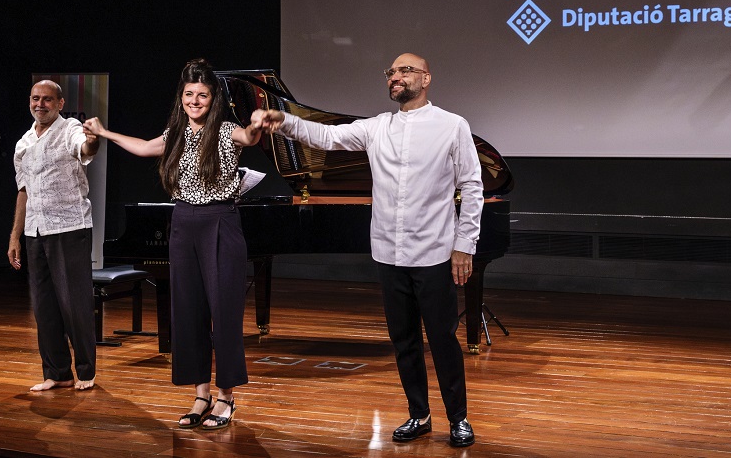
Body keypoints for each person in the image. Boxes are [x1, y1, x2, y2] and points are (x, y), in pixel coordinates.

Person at [253, 52, 481, 447]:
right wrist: (284, 121)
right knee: (403, 340)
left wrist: (465, 245)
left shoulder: (452, 126)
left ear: (425, 78)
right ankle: (419, 415)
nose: (396, 77)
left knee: (443, 340)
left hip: (434, 253)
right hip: (389, 254)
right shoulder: (377, 127)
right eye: (391, 72)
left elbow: (473, 186)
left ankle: (458, 418)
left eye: (405, 70)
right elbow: (327, 137)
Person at [82, 58, 263, 430]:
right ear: (181, 98)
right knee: (188, 312)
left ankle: (226, 398)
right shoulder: (176, 132)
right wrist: (105, 133)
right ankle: (200, 395)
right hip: (183, 223)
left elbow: (249, 137)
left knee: (224, 315)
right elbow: (145, 147)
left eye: (202, 96)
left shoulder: (227, 130)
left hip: (219, 222)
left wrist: (257, 122)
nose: (195, 101)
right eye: (189, 95)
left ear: (214, 100)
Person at [8, 79, 100, 392]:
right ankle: (57, 373)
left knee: (74, 304)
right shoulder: (23, 143)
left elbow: (86, 148)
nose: (40, 104)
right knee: (44, 306)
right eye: (35, 98)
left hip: (69, 227)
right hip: (35, 230)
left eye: (48, 99)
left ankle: (86, 372)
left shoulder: (70, 128)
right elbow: (23, 191)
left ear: (59, 103)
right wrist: (14, 236)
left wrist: (93, 139)